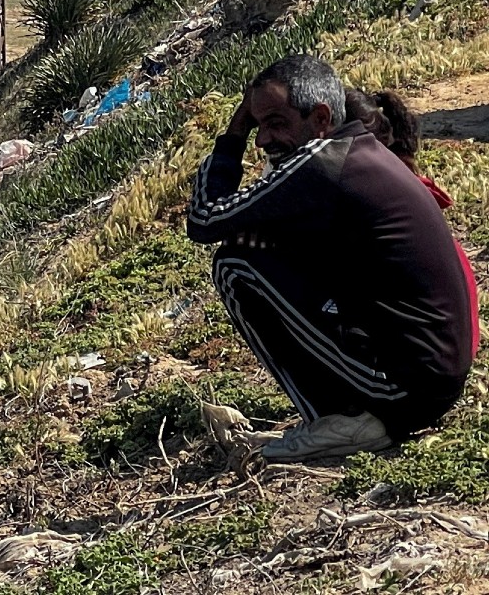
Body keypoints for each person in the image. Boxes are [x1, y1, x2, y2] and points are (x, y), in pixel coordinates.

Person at [188, 55, 476, 461]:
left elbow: (204, 220)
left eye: (275, 122)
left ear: (321, 118)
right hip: (432, 380)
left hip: (406, 389)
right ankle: (352, 415)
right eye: (257, 125)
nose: (262, 140)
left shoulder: (321, 162)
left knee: (234, 265)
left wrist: (234, 134)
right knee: (255, 253)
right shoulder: (359, 154)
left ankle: (336, 420)